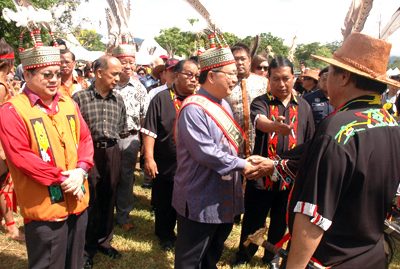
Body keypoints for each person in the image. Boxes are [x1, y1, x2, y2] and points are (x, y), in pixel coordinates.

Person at [285, 32, 400, 269]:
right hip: (373, 255)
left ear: (345, 77)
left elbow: (313, 214)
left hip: (332, 259)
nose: (325, 82)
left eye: (331, 73)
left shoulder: (337, 129)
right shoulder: (390, 123)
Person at [172, 39, 270, 269]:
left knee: (212, 253)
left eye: (237, 73)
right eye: (231, 73)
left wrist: (245, 162)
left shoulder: (223, 104)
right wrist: (241, 165)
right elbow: (206, 153)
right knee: (190, 258)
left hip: (224, 195)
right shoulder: (194, 109)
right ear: (212, 75)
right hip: (200, 198)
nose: (235, 79)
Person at [0, 35, 93, 268]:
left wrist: (81, 170)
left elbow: (85, 139)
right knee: (48, 263)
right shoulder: (12, 110)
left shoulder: (68, 103)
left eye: (57, 74)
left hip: (78, 199)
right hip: (45, 205)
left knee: (75, 261)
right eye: (46, 74)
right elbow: (21, 157)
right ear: (27, 75)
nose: (54, 80)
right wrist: (64, 178)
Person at [234, 56, 315, 269]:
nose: (281, 84)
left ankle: (272, 257)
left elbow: (308, 140)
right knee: (253, 218)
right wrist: (274, 126)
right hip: (262, 174)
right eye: (275, 78)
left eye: (286, 78)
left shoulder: (304, 107)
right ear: (268, 79)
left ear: (294, 78)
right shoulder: (261, 102)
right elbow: (260, 122)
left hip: (290, 178)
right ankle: (244, 255)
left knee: (282, 220)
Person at [72, 55, 127, 268]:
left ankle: (105, 242)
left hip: (112, 151)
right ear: (99, 73)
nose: (118, 78)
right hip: (88, 153)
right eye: (114, 73)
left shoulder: (118, 100)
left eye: (119, 74)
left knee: (109, 196)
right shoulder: (80, 98)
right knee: (89, 199)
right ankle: (87, 248)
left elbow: (122, 130)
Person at [141, 59, 199, 251]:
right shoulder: (161, 98)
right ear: (176, 76)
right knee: (165, 201)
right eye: (188, 75)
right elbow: (150, 131)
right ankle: (165, 235)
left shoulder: (199, 100)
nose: (193, 80)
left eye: (197, 76)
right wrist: (149, 158)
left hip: (193, 166)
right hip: (166, 162)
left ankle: (186, 234)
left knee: (189, 203)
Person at [113, 43, 149, 231]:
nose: (128, 66)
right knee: (107, 176)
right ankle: (104, 213)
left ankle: (123, 216)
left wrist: (144, 144)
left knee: (126, 178)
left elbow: (144, 117)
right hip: (108, 139)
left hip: (130, 138)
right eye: (123, 62)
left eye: (131, 62)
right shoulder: (106, 85)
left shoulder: (139, 87)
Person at [225, 43, 268, 159]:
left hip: (259, 144)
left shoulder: (263, 83)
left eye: (243, 59)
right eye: (236, 59)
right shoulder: (224, 84)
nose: (239, 62)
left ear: (249, 60)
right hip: (231, 147)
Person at [0, 38, 25, 241]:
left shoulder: (4, 84)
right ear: (8, 63)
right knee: (5, 184)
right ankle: (10, 227)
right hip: (1, 143)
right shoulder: (0, 86)